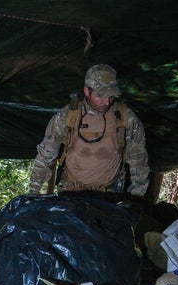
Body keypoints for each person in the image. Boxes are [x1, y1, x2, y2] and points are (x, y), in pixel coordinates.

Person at [29, 64, 150, 197]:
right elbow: (45, 156)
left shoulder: (126, 118)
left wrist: (137, 198)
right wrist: (33, 192)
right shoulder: (67, 116)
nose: (106, 102)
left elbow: (139, 161)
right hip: (70, 192)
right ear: (87, 91)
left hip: (107, 196)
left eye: (110, 96)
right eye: (100, 96)